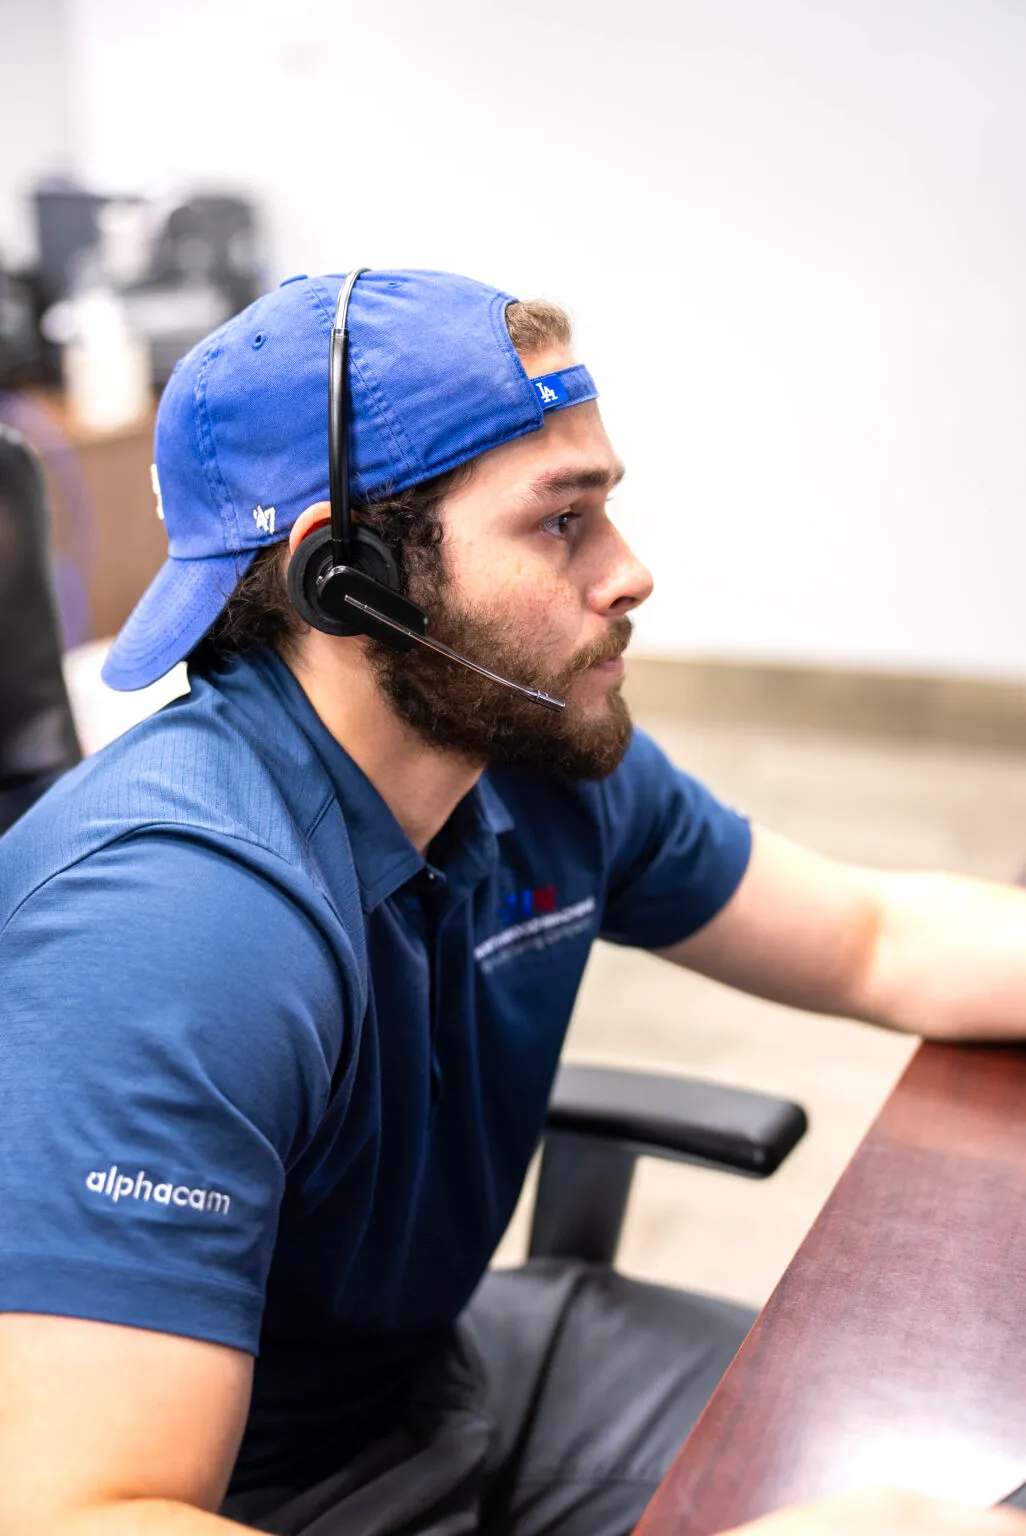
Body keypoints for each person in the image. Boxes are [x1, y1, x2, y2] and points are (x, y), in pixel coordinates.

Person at [2, 270, 1026, 1536]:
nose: (631, 573)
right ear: (346, 579)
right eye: (561, 523)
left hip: (434, 1389)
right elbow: (82, 1514)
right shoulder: (173, 922)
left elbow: (880, 942)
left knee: (969, 1473)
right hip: (270, 1498)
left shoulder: (531, 758)